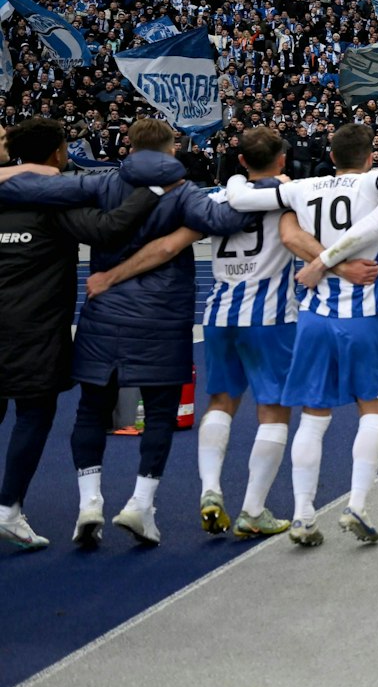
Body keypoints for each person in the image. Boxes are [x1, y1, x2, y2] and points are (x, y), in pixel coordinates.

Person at [4, 118, 252, 548]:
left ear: (130, 147)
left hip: (103, 313)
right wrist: (260, 187)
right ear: (172, 149)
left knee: (90, 409)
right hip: (162, 316)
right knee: (159, 413)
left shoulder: (102, 183)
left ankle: (90, 504)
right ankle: (141, 505)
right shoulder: (184, 191)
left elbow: (30, 190)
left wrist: (16, 173)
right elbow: (227, 219)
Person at [84, 126, 330, 541]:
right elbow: (295, 238)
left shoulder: (215, 199)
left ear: (241, 161)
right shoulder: (283, 199)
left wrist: (112, 276)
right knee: (273, 409)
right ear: (283, 160)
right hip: (270, 317)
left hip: (219, 315)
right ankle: (253, 509)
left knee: (219, 402)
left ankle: (211, 489)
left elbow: (166, 247)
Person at [223, 124, 378, 547]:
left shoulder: (302, 187)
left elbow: (242, 198)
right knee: (372, 410)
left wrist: (236, 174)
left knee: (313, 415)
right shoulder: (374, 181)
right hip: (363, 313)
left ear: (330, 156)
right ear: (369, 156)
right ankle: (356, 503)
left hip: (314, 315)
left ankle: (301, 514)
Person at [0, 119, 178, 551]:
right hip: (35, 328)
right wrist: (154, 192)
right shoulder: (59, 201)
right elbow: (107, 229)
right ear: (60, 153)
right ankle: (7, 508)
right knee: (33, 414)